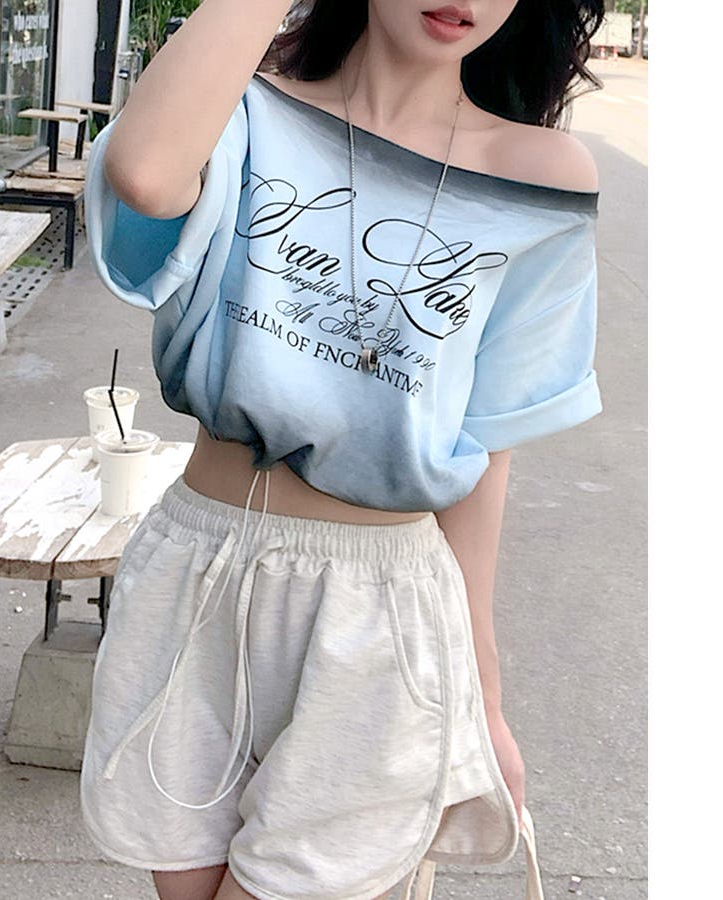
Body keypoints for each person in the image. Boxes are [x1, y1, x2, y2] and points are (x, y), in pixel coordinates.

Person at [79, 2, 606, 899]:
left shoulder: (538, 173)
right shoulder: (244, 113)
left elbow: (484, 438)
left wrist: (484, 694)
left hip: (379, 608)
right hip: (192, 574)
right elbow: (146, 173)